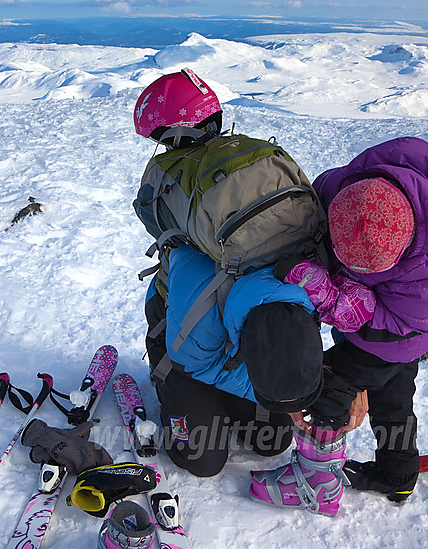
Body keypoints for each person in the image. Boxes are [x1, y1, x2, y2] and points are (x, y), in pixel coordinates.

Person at [133, 70, 349, 479]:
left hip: (230, 323)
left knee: (272, 441)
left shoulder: (307, 294)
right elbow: (197, 361)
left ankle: (226, 397)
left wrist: (304, 394)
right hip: (185, 336)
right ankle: (174, 388)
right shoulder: (209, 295)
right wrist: (283, 400)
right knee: (203, 459)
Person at [250, 136, 428, 514]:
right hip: (378, 314)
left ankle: (317, 484)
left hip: (400, 329)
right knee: (393, 396)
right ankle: (397, 475)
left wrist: (328, 294)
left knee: (330, 387)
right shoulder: (338, 191)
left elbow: (388, 323)